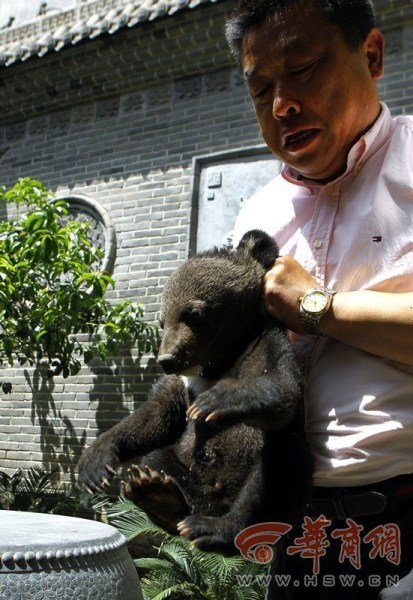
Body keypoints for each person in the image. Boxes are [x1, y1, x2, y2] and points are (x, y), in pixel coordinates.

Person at [225, 1, 413, 598]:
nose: (282, 104)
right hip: (299, 532)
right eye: (260, 90)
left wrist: (318, 307)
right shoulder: (257, 215)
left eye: (303, 67)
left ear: (372, 55)